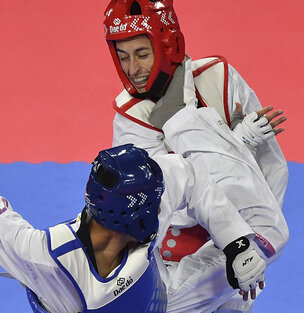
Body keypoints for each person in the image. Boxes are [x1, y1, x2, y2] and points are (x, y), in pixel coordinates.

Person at [0, 143, 265, 313]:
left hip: (163, 302)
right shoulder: (46, 257)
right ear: (133, 215)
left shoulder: (142, 204)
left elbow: (189, 174)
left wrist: (236, 241)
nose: (162, 204)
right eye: (154, 202)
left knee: (255, 255)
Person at [103, 0, 289, 312]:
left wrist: (256, 239)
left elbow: (271, 168)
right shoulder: (131, 115)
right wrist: (238, 143)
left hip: (240, 249)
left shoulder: (219, 77)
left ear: (168, 45)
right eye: (122, 57)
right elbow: (176, 204)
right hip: (173, 263)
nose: (132, 69)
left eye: (141, 54)